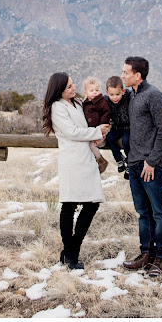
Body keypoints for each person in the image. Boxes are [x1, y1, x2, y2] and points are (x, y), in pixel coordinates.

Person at [42, 72, 111, 270]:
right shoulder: (57, 107)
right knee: (70, 205)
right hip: (72, 161)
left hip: (87, 159)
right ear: (59, 90)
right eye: (69, 87)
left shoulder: (79, 104)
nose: (74, 89)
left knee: (92, 203)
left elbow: (90, 123)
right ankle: (71, 255)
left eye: (73, 85)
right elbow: (72, 132)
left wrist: (102, 130)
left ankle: (70, 251)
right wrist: (98, 131)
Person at [120, 56, 162, 277]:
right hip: (134, 163)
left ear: (137, 75)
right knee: (143, 213)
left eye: (126, 72)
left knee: (159, 212)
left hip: (151, 165)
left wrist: (152, 161)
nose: (123, 75)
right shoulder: (131, 96)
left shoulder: (153, 95)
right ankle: (146, 254)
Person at [103, 76, 133, 179]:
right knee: (110, 138)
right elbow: (96, 104)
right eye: (112, 94)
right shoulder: (105, 100)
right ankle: (119, 159)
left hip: (128, 126)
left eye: (117, 94)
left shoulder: (128, 96)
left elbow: (134, 94)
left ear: (123, 91)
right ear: (107, 92)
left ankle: (129, 163)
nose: (115, 97)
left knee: (126, 142)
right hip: (116, 127)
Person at [81, 76, 111, 173]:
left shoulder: (101, 102)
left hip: (100, 133)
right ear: (85, 93)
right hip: (90, 132)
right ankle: (92, 162)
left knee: (91, 145)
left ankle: (101, 160)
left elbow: (106, 113)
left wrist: (101, 130)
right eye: (91, 90)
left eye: (97, 90)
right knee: (86, 146)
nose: (95, 92)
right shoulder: (84, 103)